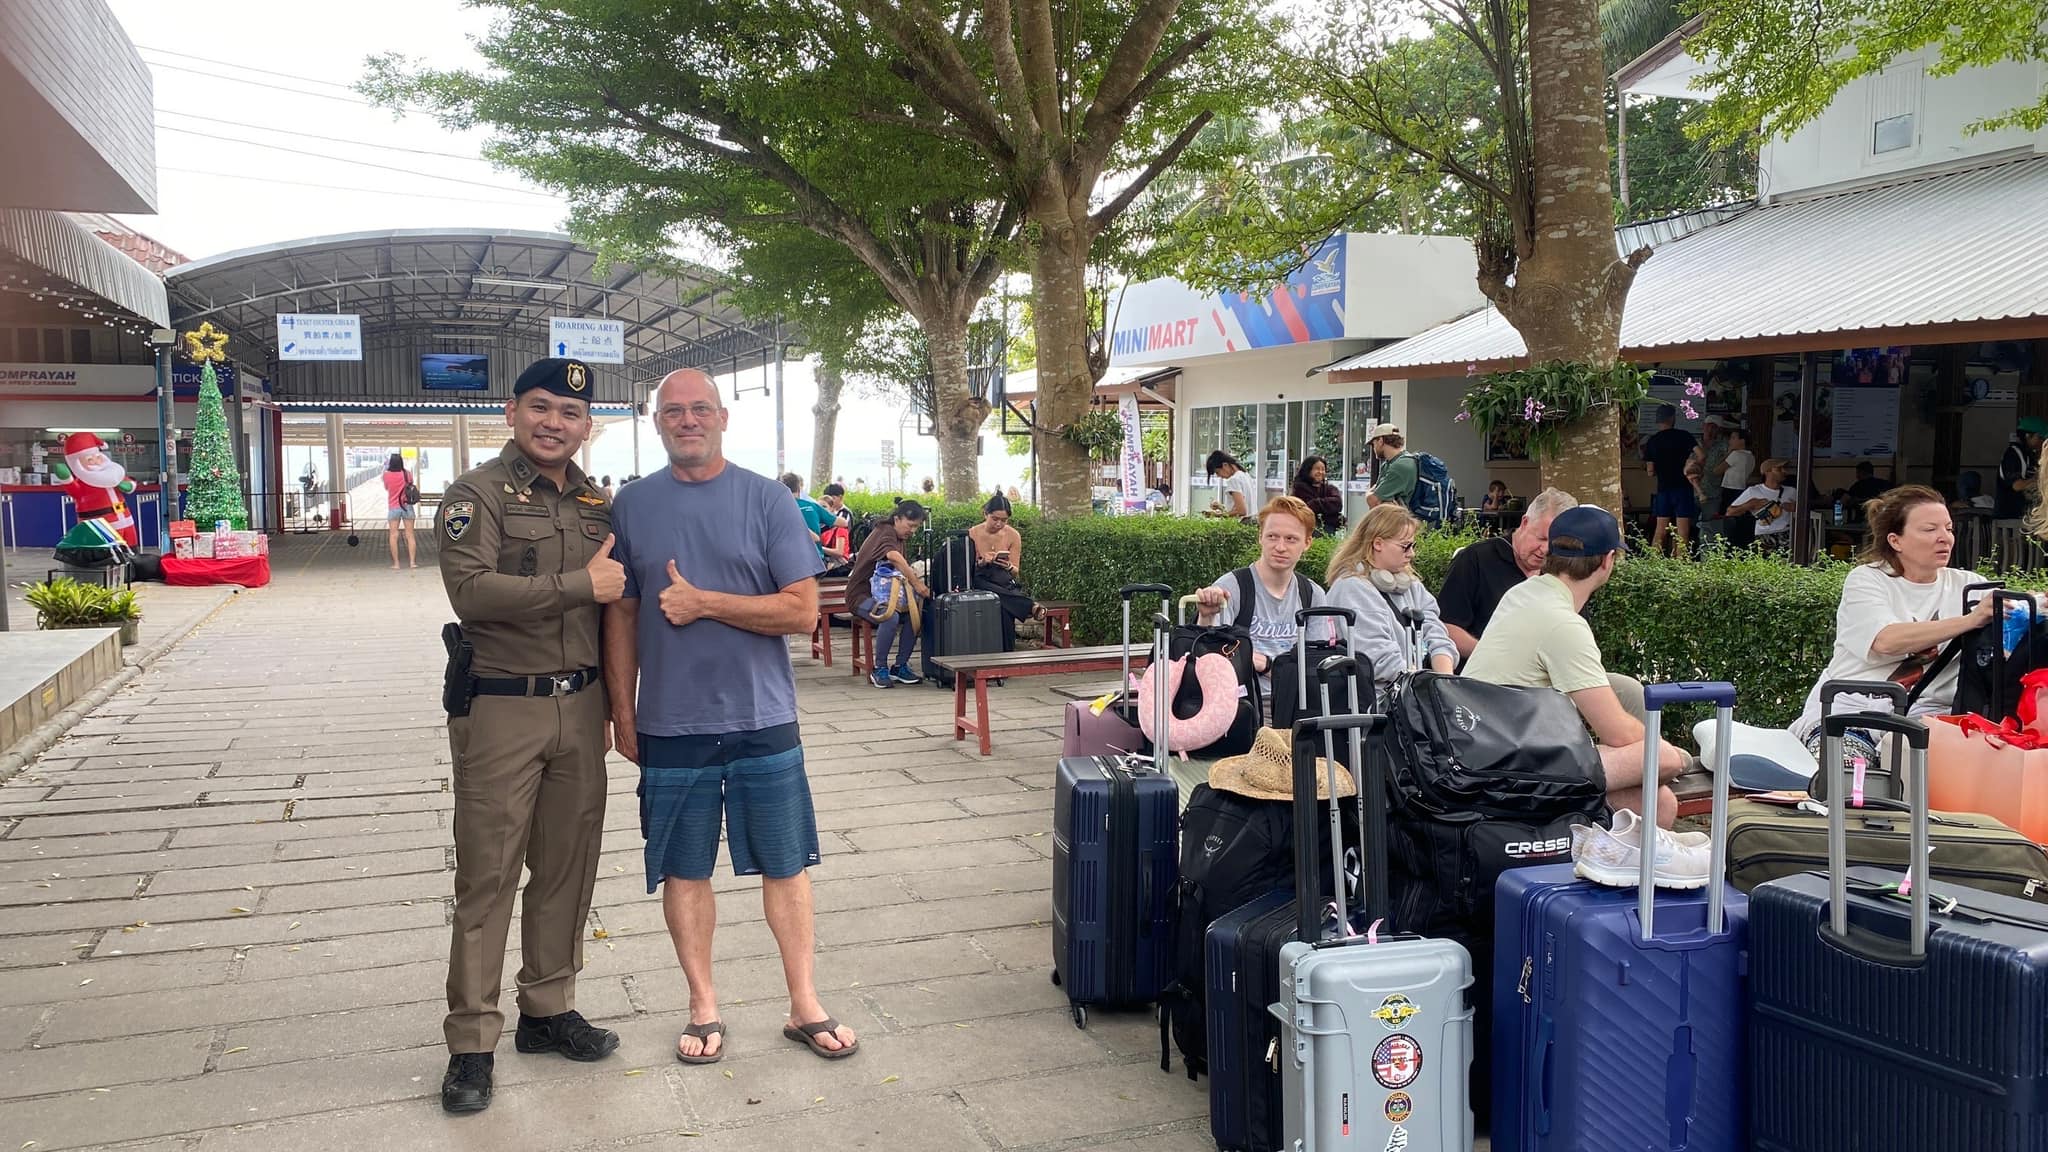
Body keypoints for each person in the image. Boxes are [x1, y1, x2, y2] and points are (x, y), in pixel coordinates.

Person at [601, 368, 856, 1068]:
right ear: (657, 422)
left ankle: (804, 1003)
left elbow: (801, 611)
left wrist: (705, 602)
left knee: (786, 863)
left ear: (722, 418)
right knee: (683, 869)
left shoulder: (767, 499)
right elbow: (621, 615)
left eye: (699, 409)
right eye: (673, 411)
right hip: (669, 719)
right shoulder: (632, 505)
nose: (688, 420)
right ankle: (703, 1004)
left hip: (760, 715)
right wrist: (622, 709)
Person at [434, 357, 628, 1114]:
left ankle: (547, 1010)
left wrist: (616, 708)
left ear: (587, 426)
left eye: (570, 413)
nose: (555, 422)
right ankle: (471, 1044)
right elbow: (471, 591)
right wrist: (581, 583)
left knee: (566, 868)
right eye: (541, 407)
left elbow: (618, 608)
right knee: (487, 877)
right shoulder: (476, 494)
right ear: (511, 413)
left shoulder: (597, 503)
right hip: (502, 709)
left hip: (580, 707)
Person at [1464, 506, 1689, 829]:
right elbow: (1617, 732)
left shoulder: (1523, 592)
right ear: (1608, 560)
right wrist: (1674, 754)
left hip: (1483, 752)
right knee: (1662, 759)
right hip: (1513, 771)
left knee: (1657, 798)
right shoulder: (1563, 623)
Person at [1791, 486, 2020, 768]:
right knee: (1847, 776)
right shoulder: (1867, 579)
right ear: (1895, 540)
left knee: (1947, 777)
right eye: (1929, 529)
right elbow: (1885, 640)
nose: (1944, 538)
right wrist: (1968, 621)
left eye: (1949, 528)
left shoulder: (1970, 585)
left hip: (1928, 719)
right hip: (1852, 710)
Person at [1193, 496, 1337, 689]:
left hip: (1295, 700)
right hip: (1241, 700)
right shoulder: (1232, 587)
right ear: (1260, 537)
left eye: (1291, 539)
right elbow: (1212, 655)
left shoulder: (1312, 594)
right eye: (1272, 536)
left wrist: (1267, 665)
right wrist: (1206, 616)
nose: (1280, 547)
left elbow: (1314, 665)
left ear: (1307, 543)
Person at [1325, 503, 1459, 692]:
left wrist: (1445, 681)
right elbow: (1377, 657)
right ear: (1378, 543)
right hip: (1379, 698)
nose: (1411, 553)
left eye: (1413, 545)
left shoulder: (1410, 584)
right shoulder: (1351, 588)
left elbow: (1437, 634)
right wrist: (1426, 687)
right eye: (1405, 546)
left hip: (1414, 689)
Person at [1438, 487, 1579, 660]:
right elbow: (1446, 628)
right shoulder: (1475, 559)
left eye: (1555, 544)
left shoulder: (1562, 571)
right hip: (1483, 670)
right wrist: (1497, 658)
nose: (1545, 549)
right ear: (1525, 522)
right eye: (1541, 538)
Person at [844, 498, 934, 688]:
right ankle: (880, 668)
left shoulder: (899, 537)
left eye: (917, 527)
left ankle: (900, 666)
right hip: (860, 596)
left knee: (915, 615)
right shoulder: (885, 532)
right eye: (910, 525)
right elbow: (894, 557)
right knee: (889, 616)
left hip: (890, 595)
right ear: (897, 519)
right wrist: (917, 584)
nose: (913, 531)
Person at [967, 492, 1033, 650]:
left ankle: (1006, 656)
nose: (998, 524)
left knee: (1004, 608)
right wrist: (982, 562)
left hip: (1002, 579)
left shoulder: (1013, 535)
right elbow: (966, 569)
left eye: (1004, 520)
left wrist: (1007, 565)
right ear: (985, 514)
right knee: (990, 590)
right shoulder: (972, 533)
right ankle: (1028, 606)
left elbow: (1015, 572)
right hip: (980, 578)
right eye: (995, 519)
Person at [1642, 404, 1699, 555]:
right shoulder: (1684, 436)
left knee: (1660, 530)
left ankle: (1653, 562)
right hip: (1683, 488)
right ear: (1673, 418)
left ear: (1657, 420)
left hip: (1663, 489)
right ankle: (1680, 564)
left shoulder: (1652, 441)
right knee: (1683, 532)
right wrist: (1692, 466)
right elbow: (1701, 454)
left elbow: (1650, 471)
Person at [781, 472, 847, 569]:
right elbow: (843, 523)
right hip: (816, 560)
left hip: (788, 561)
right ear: (799, 488)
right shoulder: (812, 506)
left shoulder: (778, 509)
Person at [1729, 458, 1798, 551]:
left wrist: (1796, 508)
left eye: (1784, 468)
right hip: (1763, 536)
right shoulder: (1753, 491)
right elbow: (1730, 512)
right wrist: (1749, 505)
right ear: (1767, 471)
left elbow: (1805, 512)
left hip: (1787, 534)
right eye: (1779, 469)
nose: (1784, 471)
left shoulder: (1792, 491)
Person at [1997, 416, 2048, 525]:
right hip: (2009, 518)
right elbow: (2017, 485)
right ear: (2028, 435)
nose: (2042, 442)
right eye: (2040, 438)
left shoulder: (2029, 455)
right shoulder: (2013, 454)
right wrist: (2039, 479)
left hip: (2025, 517)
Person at [1289, 455, 1346, 534]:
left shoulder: (1330, 488)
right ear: (1308, 470)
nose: (1321, 472)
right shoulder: (1299, 489)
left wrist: (1316, 503)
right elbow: (1306, 510)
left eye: (1323, 469)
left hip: (1329, 530)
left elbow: (1337, 503)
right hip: (1306, 530)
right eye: (1317, 469)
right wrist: (1329, 511)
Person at [1364, 423, 1414, 510]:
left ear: (1380, 441)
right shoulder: (1388, 464)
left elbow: (1373, 501)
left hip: (1406, 517)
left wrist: (1368, 493)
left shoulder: (1400, 466)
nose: (1373, 448)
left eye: (1373, 444)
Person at [383, 452, 419, 570]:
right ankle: (412, 562)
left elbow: (387, 488)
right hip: (407, 506)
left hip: (393, 507)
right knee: (410, 535)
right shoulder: (407, 474)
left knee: (393, 535)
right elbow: (411, 485)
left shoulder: (386, 475)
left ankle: (396, 564)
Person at [1715, 425, 1756, 521]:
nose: (1730, 441)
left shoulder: (1735, 454)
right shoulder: (1751, 456)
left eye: (1733, 438)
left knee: (1726, 517)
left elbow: (1717, 470)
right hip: (1742, 488)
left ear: (1742, 441)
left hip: (1730, 489)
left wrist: (1728, 453)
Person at [1204, 450, 1259, 522]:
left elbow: (1241, 511)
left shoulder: (1233, 480)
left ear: (1225, 465)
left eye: (1217, 472)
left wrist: (1217, 515)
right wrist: (1221, 507)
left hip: (1242, 523)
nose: (1218, 476)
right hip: (1253, 521)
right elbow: (1244, 506)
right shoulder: (1245, 475)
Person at [817, 483, 854, 576]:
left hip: (839, 558)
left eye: (833, 498)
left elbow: (839, 551)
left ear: (840, 497)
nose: (831, 501)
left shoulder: (844, 515)